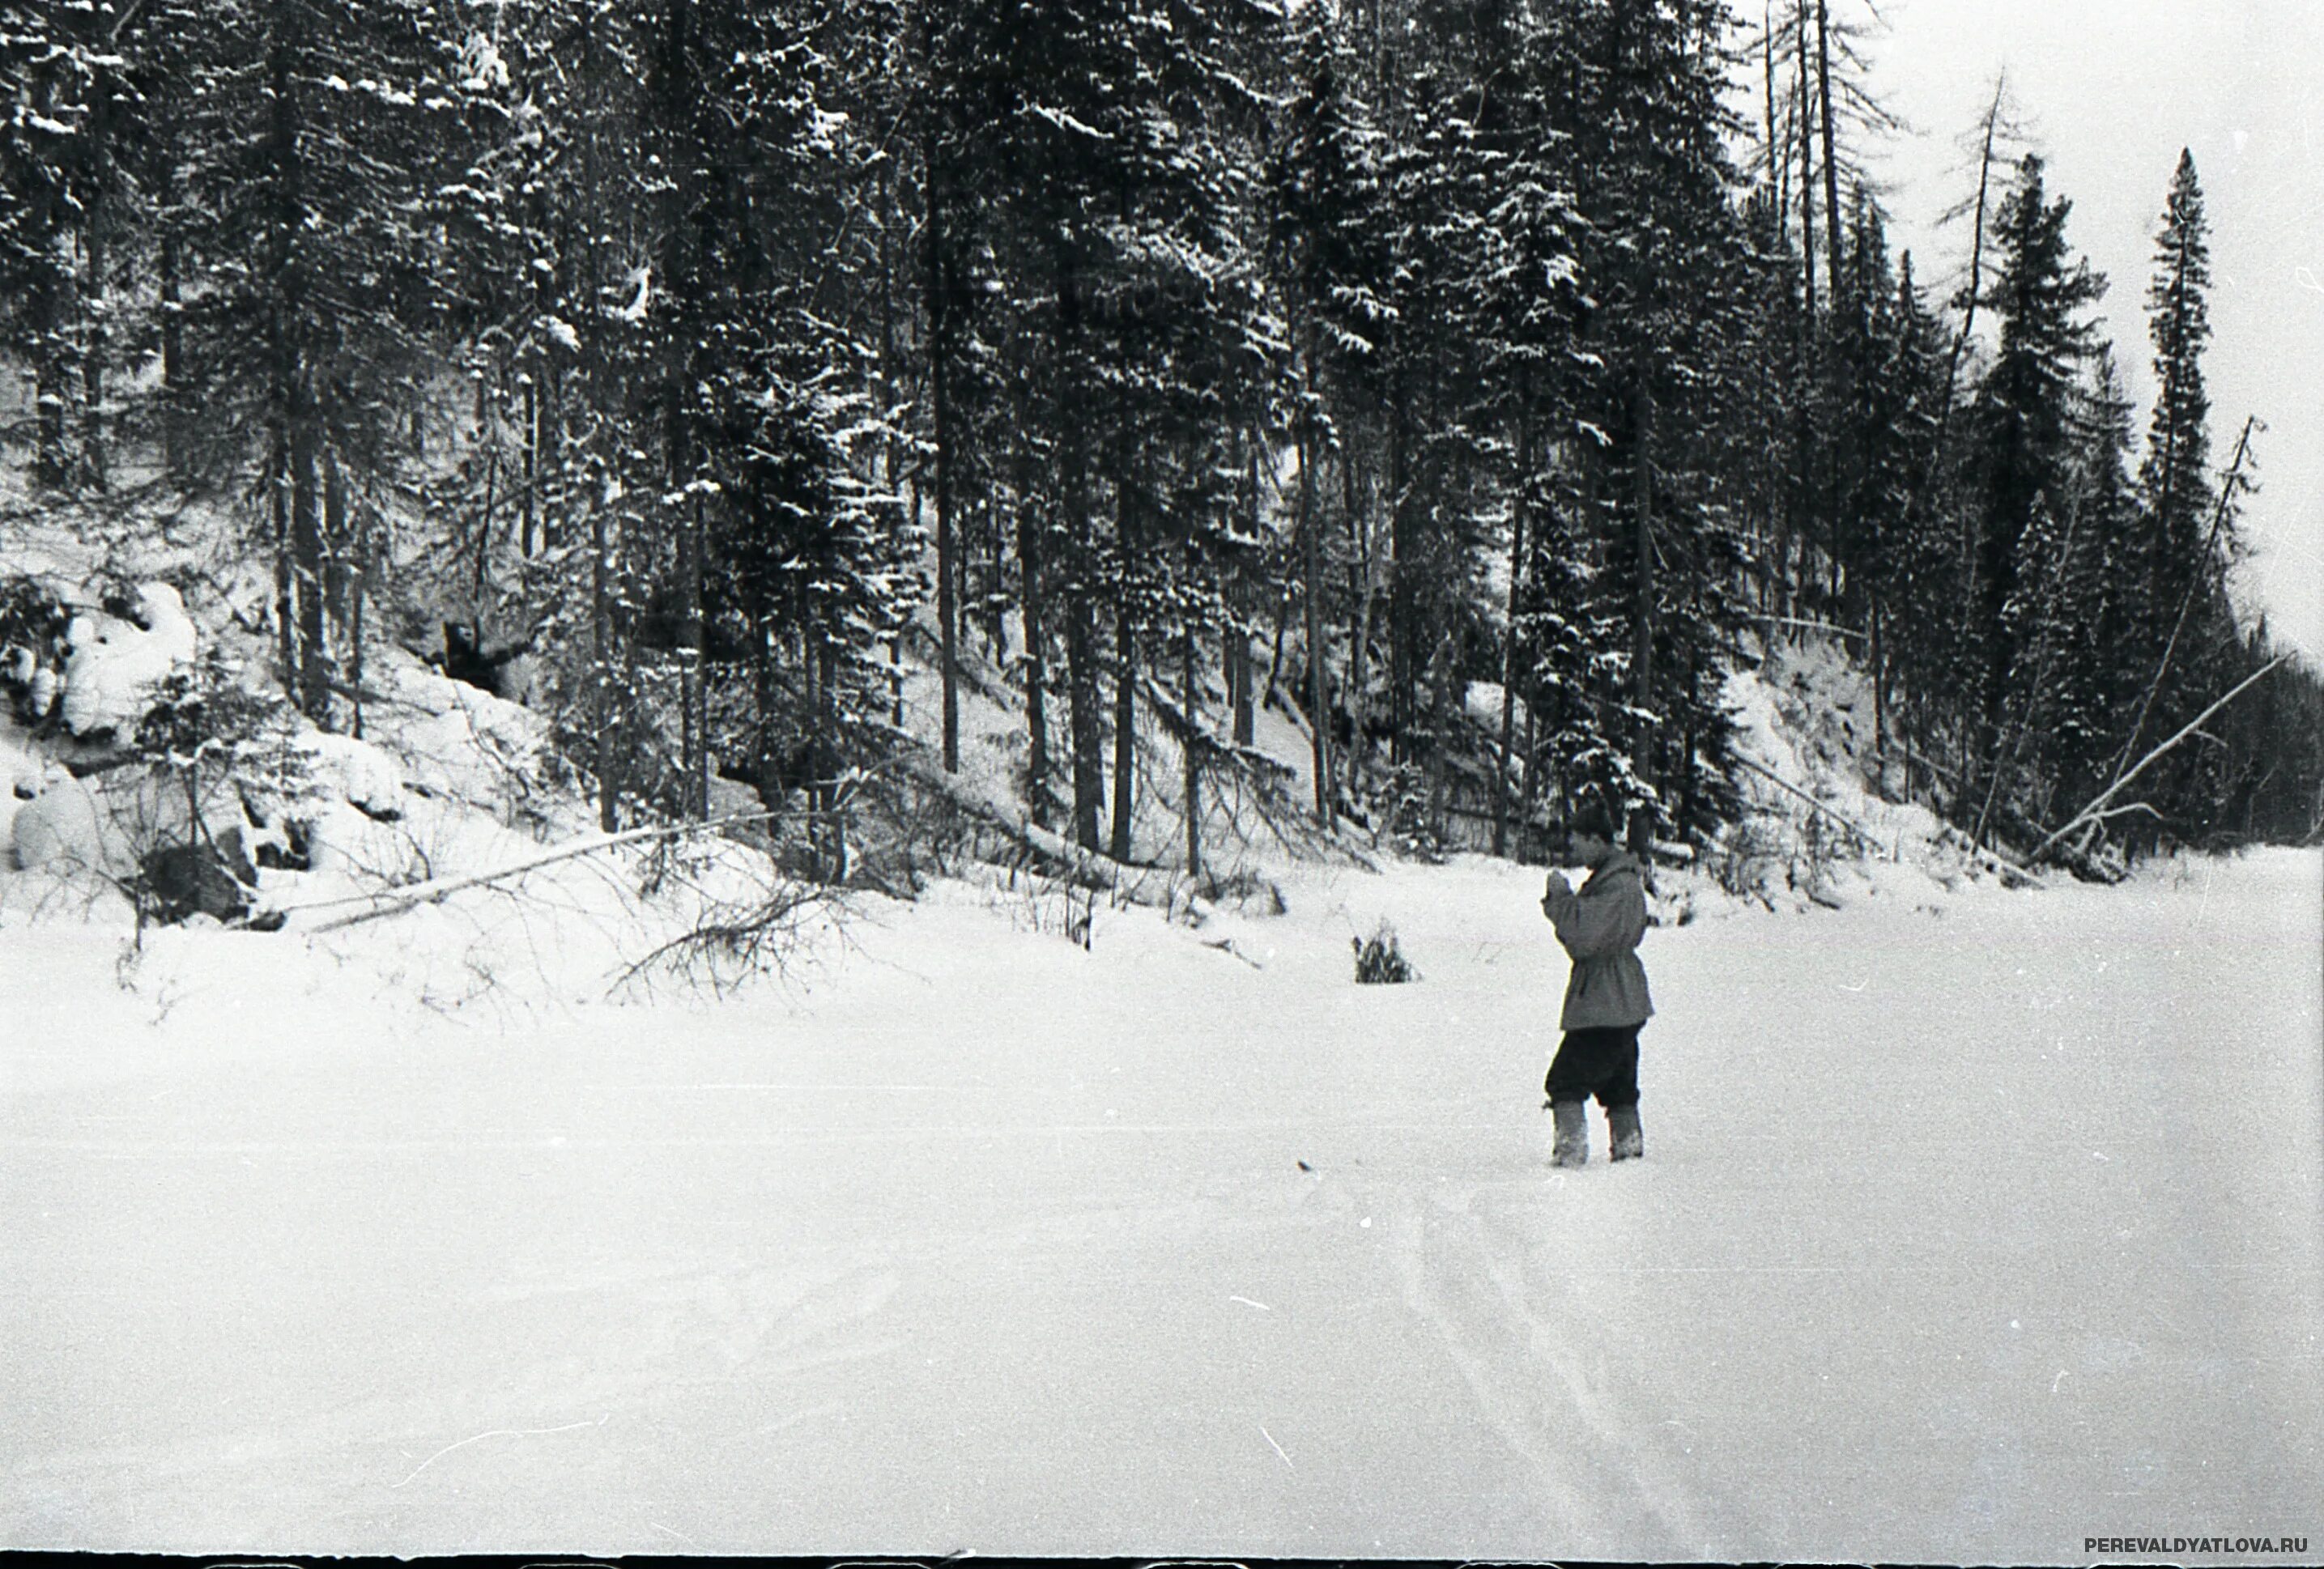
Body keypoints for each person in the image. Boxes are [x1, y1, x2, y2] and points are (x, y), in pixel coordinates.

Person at [1539, 801, 1653, 1167]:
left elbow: (1582, 937)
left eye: (1578, 841)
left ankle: (1569, 1157)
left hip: (1606, 1002)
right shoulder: (1619, 880)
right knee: (1618, 1085)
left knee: (1565, 1081)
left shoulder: (1616, 885)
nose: (1575, 850)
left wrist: (1559, 899)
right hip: (1622, 1000)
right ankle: (1629, 1153)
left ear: (1595, 839)